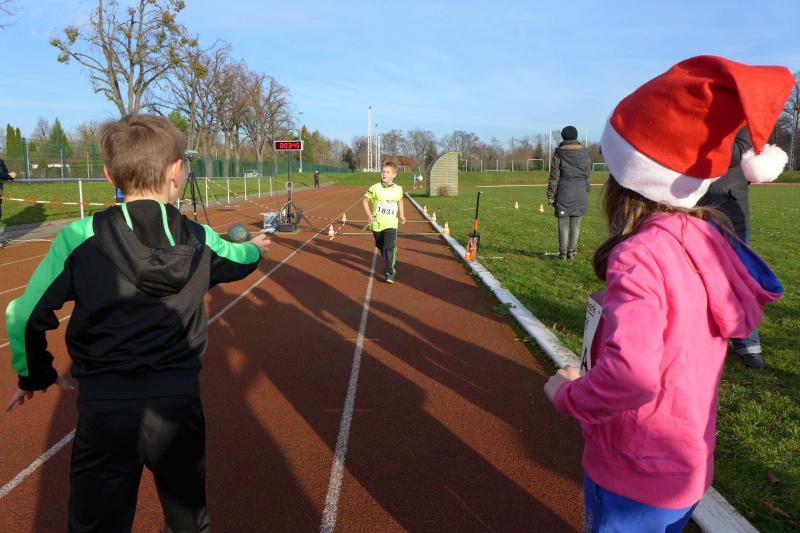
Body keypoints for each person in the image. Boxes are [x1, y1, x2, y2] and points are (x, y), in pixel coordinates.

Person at [544, 56, 791, 532]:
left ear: (625, 177)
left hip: (632, 471)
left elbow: (632, 376)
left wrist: (568, 394)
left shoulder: (638, 256)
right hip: (686, 466)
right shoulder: (708, 241)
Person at [4, 114, 270, 532]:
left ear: (109, 174)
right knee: (188, 521)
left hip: (104, 409)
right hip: (177, 405)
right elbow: (240, 260)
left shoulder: (78, 237)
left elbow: (23, 314)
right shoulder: (199, 239)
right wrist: (257, 248)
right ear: (177, 172)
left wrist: (33, 374)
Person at [698, 127, 764, 368]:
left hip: (731, 215)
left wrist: (702, 130)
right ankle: (700, 339)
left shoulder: (742, 121)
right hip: (695, 211)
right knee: (696, 281)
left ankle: (747, 343)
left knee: (735, 283)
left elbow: (737, 153)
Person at [547, 125, 591, 260]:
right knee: (575, 224)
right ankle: (571, 253)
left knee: (563, 225)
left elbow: (554, 177)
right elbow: (588, 175)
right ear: (575, 136)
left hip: (564, 192)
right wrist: (586, 190)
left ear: (563, 137)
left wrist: (550, 195)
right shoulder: (585, 153)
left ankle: (563, 254)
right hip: (580, 192)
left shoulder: (559, 153)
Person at [362, 161, 405, 283]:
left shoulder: (398, 189)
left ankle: (389, 272)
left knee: (388, 247)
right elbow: (365, 201)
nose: (384, 174)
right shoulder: (375, 188)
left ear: (394, 175)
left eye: (387, 172)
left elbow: (400, 200)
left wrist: (401, 215)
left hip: (391, 223)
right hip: (377, 224)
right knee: (381, 245)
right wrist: (369, 215)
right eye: (383, 172)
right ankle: (389, 253)